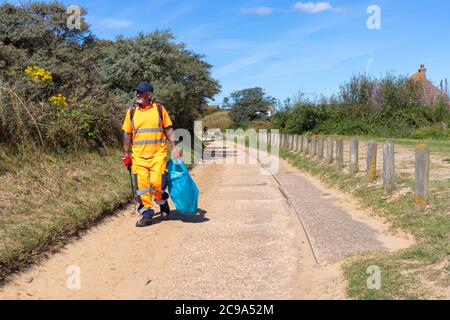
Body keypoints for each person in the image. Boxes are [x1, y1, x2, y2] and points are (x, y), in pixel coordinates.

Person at [122, 81, 180, 228]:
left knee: (157, 182)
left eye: (141, 92)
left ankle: (161, 202)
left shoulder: (159, 109)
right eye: (137, 92)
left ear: (149, 94)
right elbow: (127, 133)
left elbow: (168, 129)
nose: (138, 94)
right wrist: (126, 154)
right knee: (142, 186)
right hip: (139, 157)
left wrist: (174, 148)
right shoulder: (132, 111)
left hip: (158, 155)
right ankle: (147, 213)